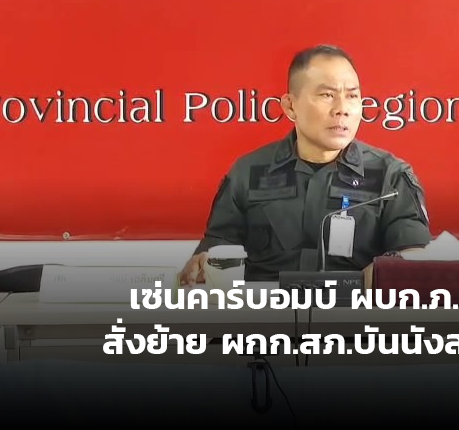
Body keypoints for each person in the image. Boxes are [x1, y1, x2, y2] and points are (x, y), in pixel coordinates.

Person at [177, 44, 432, 288]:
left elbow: (415, 256)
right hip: (265, 314)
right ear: (290, 106)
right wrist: (203, 264)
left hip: (356, 315)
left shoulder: (391, 176)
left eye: (352, 96)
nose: (342, 109)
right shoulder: (248, 172)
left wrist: (388, 268)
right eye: (327, 95)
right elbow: (216, 250)